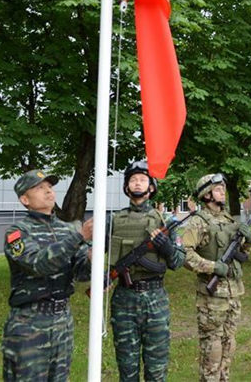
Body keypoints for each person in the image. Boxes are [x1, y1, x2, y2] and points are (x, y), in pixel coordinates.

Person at [1, 169, 93, 381]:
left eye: (50, 187)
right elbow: (37, 264)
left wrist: (92, 255)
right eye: (40, 188)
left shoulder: (67, 229)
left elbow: (81, 273)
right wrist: (79, 237)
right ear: (25, 199)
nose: (48, 192)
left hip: (62, 322)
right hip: (30, 324)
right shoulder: (17, 233)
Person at [108, 160, 186, 382]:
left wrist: (167, 247)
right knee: (127, 366)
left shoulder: (166, 221)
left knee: (156, 366)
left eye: (143, 179)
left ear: (151, 187)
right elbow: (94, 253)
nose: (138, 183)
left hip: (155, 300)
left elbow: (178, 262)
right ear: (126, 187)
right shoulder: (114, 220)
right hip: (124, 298)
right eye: (133, 180)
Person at [182, 173, 251, 382]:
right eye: (218, 188)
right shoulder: (198, 221)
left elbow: (243, 254)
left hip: (233, 292)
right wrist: (212, 266)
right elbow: (184, 255)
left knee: (229, 342)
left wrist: (248, 240)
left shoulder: (229, 220)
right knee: (212, 346)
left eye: (223, 188)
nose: (223, 191)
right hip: (212, 296)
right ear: (206, 195)